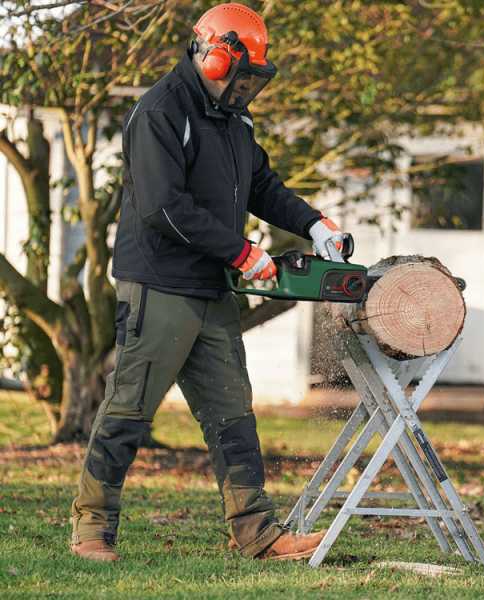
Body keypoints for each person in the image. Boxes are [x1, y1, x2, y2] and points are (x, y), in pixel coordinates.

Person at [70, 3, 344, 562]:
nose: (245, 89)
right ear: (213, 55)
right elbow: (162, 207)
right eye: (239, 75)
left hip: (212, 285)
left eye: (253, 80)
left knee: (232, 412)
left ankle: (256, 534)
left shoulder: (234, 119)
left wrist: (313, 224)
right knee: (129, 408)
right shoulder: (160, 112)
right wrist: (242, 252)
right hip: (159, 284)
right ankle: (91, 529)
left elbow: (261, 184)